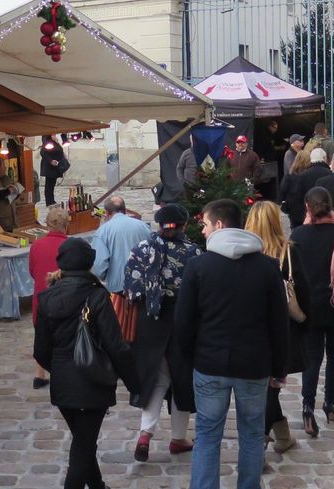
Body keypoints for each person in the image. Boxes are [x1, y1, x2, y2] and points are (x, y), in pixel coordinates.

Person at [176, 199, 289, 489]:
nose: (201, 231)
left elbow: (184, 322)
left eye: (204, 224)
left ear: (219, 225)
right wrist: (279, 367)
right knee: (251, 433)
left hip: (210, 363)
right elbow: (279, 322)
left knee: (207, 435)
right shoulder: (267, 267)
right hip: (254, 363)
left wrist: (190, 359)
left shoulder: (199, 267)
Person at [34, 238, 139, 489]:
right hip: (93, 381)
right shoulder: (97, 295)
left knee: (84, 442)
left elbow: (41, 349)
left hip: (63, 382)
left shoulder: (47, 297)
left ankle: (98, 486)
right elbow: (115, 345)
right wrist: (135, 382)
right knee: (82, 446)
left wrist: (60, 369)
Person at [122, 204, 200, 461]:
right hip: (181, 322)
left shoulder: (141, 251)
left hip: (150, 322)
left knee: (156, 379)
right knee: (181, 379)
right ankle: (178, 437)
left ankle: (145, 433)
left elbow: (131, 291)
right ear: (183, 225)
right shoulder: (192, 253)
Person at [290, 188, 334, 437]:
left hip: (310, 306)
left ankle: (307, 408)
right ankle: (330, 405)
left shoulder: (298, 234)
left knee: (312, 359)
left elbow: (291, 274)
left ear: (307, 207)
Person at [244, 201, 304, 454]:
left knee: (267, 393)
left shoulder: (244, 254)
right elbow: (304, 291)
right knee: (269, 392)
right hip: (282, 332)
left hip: (252, 332)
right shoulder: (288, 252)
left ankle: (268, 441)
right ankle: (275, 438)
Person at [28, 205, 69, 389]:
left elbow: (32, 271)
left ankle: (39, 374)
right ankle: (62, 373)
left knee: (41, 334)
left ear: (47, 225)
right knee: (63, 337)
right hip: (63, 297)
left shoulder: (37, 245)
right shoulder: (68, 245)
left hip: (41, 295)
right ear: (65, 225)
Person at [90, 194, 150, 295]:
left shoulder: (103, 231)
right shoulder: (143, 226)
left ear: (107, 213)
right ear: (125, 210)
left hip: (118, 287)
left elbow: (99, 264)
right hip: (143, 284)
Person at [280, 150, 314, 230]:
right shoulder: (309, 176)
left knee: (295, 232)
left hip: (293, 209)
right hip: (307, 209)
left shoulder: (290, 175)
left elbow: (283, 191)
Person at [39, 135, 69, 208]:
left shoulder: (55, 140)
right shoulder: (46, 139)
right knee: (49, 185)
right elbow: (43, 152)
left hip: (55, 166)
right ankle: (49, 202)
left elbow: (58, 150)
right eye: (53, 134)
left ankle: (52, 201)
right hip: (49, 167)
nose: (55, 135)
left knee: (52, 184)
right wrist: (50, 160)